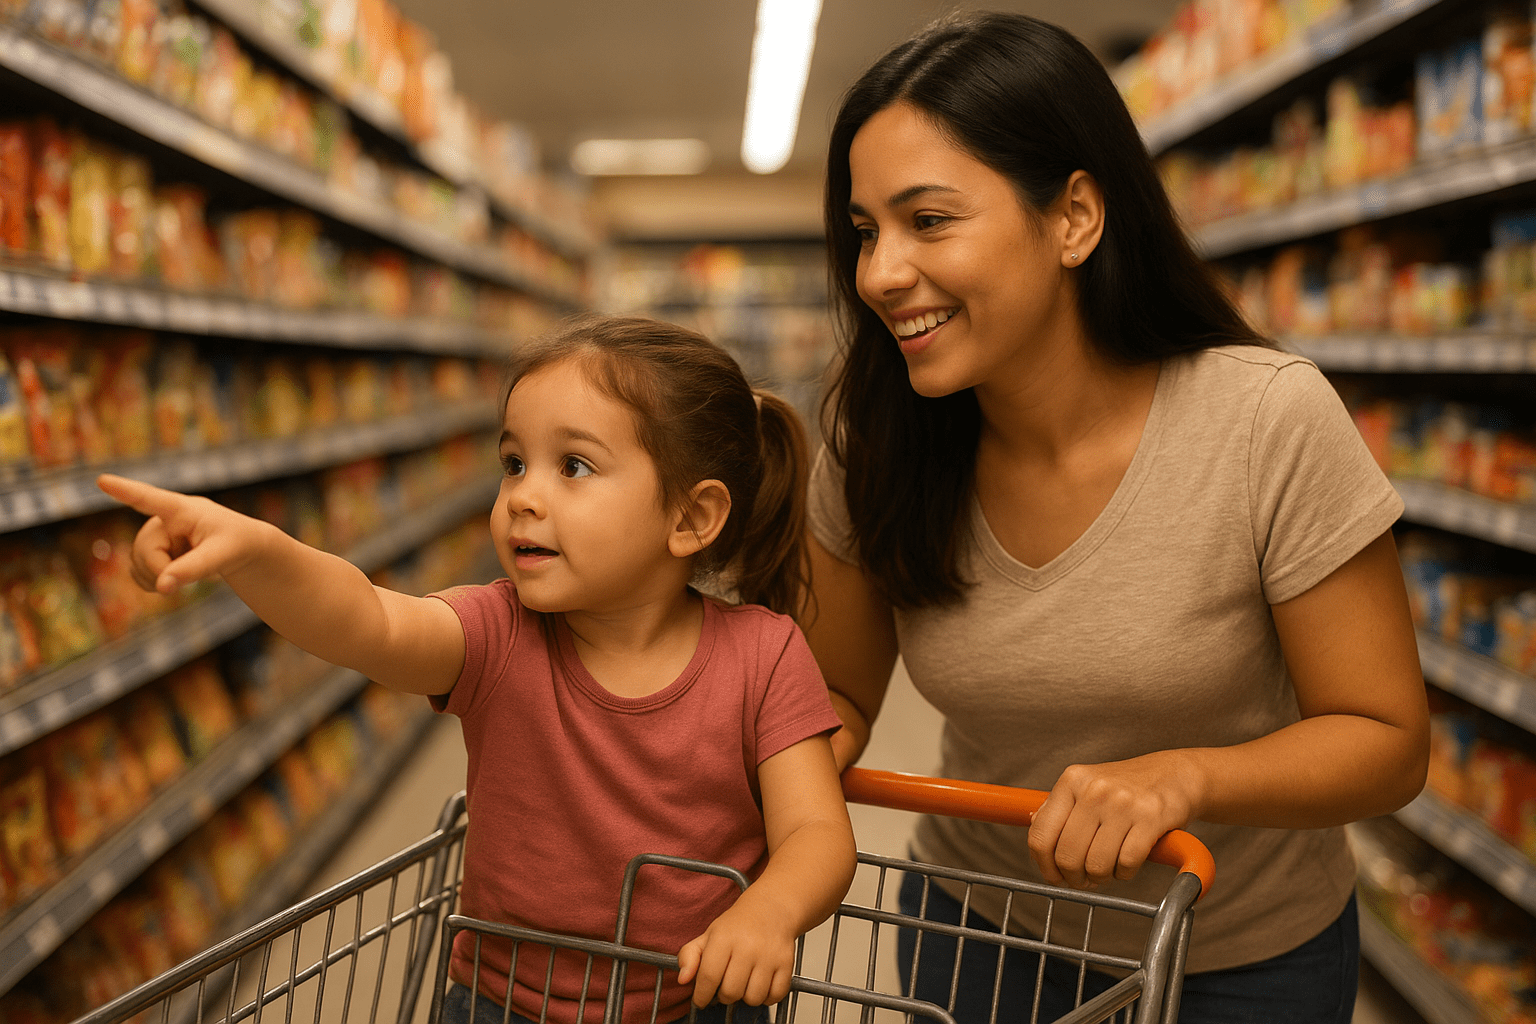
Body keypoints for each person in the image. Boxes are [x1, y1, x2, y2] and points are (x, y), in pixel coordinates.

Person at [802, 11, 1428, 1024]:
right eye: (866, 230)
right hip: (977, 931)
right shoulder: (875, 430)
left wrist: (1184, 778)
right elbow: (834, 689)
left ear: (1074, 219)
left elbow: (1387, 740)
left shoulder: (1264, 419)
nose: (877, 273)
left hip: (1234, 955)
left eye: (928, 221)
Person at [98, 314, 856, 1024]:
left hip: (696, 1004)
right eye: (514, 462)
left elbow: (818, 833)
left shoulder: (765, 655)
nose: (523, 495)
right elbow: (365, 618)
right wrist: (258, 552)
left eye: (575, 466)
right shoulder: (498, 634)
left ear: (690, 518)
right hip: (499, 1004)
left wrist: (767, 913)